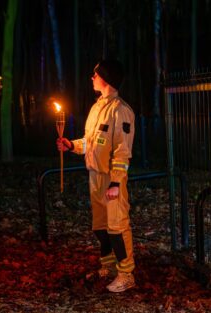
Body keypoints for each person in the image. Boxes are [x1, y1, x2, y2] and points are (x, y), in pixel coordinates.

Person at [57, 59, 136, 293]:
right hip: (95, 176)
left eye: (96, 74)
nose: (92, 77)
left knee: (117, 227)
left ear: (106, 79)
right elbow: (90, 142)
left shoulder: (121, 111)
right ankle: (108, 266)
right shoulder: (96, 108)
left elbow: (122, 150)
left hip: (111, 180)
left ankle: (126, 274)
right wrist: (71, 145)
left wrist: (116, 182)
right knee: (100, 227)